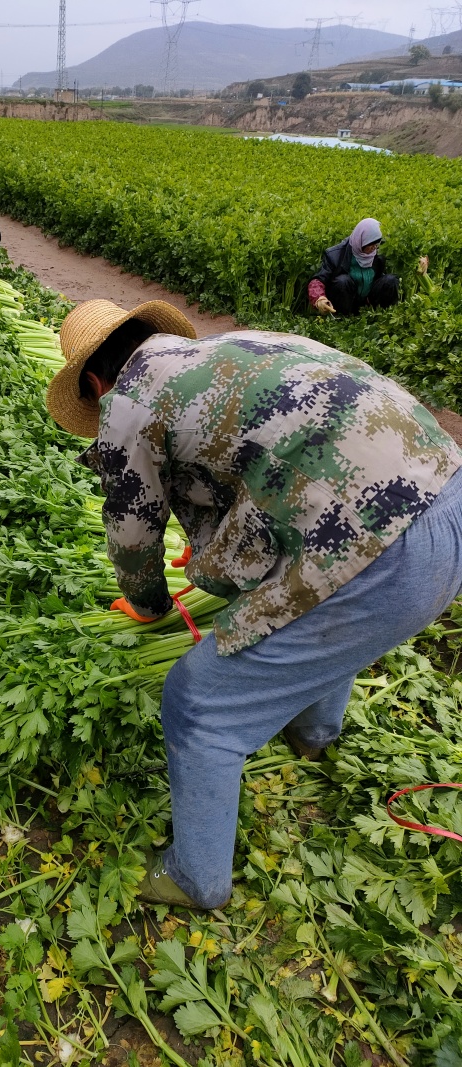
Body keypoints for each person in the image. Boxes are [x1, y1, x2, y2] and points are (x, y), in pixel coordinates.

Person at [46, 299, 462, 910]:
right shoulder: (232, 353)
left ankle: (195, 878)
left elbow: (132, 532)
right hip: (449, 502)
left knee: (200, 702)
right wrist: (223, 558)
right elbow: (281, 472)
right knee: (321, 610)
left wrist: (149, 604)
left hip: (379, 554)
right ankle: (314, 733)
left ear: (93, 382)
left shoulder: (127, 405)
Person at [308, 217, 399, 316]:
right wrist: (319, 299)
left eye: (376, 244)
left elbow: (400, 256)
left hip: (369, 299)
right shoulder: (335, 255)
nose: (374, 248)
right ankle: (342, 318)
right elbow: (317, 281)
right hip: (347, 299)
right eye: (371, 244)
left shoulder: (379, 251)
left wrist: (417, 262)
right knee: (343, 281)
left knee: (391, 280)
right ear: (361, 241)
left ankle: (380, 316)